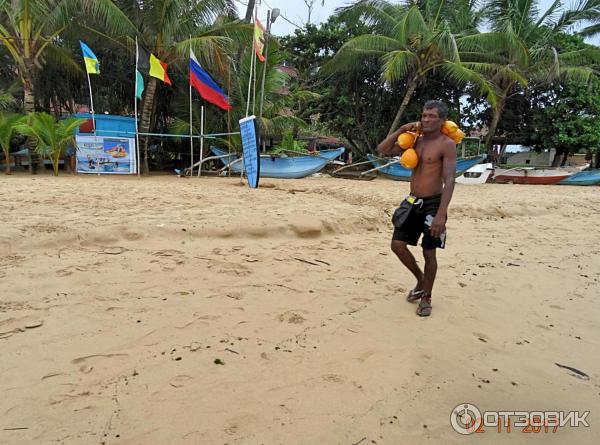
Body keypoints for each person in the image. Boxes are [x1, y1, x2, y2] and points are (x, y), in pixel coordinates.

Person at [377, 100, 457, 317]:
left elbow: (449, 180)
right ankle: (421, 280)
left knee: (429, 252)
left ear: (442, 120)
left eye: (431, 116)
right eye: (424, 115)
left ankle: (426, 297)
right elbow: (382, 150)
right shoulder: (414, 141)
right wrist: (402, 129)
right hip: (413, 202)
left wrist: (441, 214)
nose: (426, 119)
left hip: (434, 205)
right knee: (397, 245)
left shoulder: (446, 144)